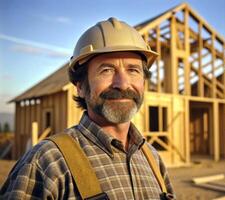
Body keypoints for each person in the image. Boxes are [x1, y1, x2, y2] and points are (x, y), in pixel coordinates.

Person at [0, 17, 175, 199]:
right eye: (106, 70)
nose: (123, 84)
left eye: (133, 70)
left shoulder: (152, 159)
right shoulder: (46, 162)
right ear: (81, 87)